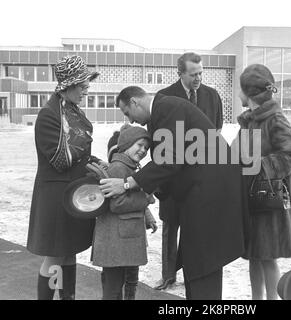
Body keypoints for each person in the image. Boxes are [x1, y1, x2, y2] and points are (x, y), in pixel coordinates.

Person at [99, 86, 248, 300]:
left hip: (209, 192)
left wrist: (127, 184)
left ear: (134, 102)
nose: (130, 120)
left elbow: (169, 160)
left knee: (203, 261)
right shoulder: (163, 110)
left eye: (127, 113)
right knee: (197, 259)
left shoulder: (167, 108)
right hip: (201, 191)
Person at [27, 55, 101, 300]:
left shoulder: (71, 110)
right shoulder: (49, 114)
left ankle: (67, 298)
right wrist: (86, 139)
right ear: (68, 86)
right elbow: (62, 159)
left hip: (72, 195)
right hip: (56, 197)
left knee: (69, 253)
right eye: (82, 86)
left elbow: (79, 152)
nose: (85, 91)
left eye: (86, 85)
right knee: (55, 256)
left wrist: (98, 162)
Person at [235, 64, 291, 300]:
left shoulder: (275, 119)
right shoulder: (249, 121)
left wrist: (260, 166)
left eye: (240, 88)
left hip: (271, 201)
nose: (238, 93)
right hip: (255, 201)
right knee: (255, 257)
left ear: (249, 92)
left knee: (267, 259)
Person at [154, 52, 224, 290]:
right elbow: (160, 139)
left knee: (197, 228)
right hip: (173, 176)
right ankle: (168, 274)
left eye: (201, 73)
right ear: (180, 73)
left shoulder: (212, 96)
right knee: (170, 226)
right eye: (193, 74)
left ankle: (193, 273)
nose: (198, 78)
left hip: (201, 178)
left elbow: (216, 132)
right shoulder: (164, 97)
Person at [92, 125, 157, 300]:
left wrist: (147, 216)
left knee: (128, 281)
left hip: (125, 239)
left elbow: (131, 197)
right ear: (127, 144)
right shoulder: (119, 168)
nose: (143, 150)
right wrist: (146, 197)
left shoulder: (130, 166)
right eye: (140, 145)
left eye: (146, 148)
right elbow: (117, 204)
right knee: (113, 288)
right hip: (116, 241)